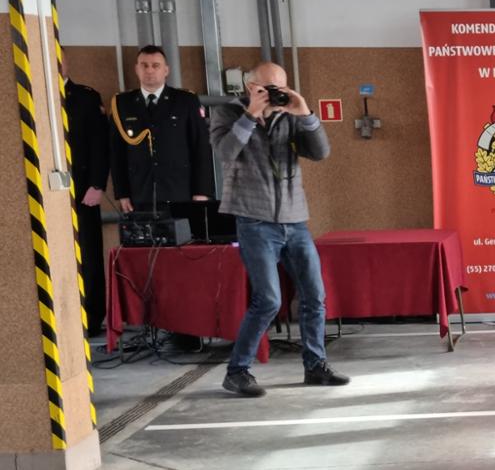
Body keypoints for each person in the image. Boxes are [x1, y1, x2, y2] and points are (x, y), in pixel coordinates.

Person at [207, 62, 347, 396]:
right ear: (250, 86)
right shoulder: (228, 113)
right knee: (268, 300)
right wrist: (251, 115)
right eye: (267, 88)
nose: (274, 94)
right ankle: (237, 371)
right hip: (254, 221)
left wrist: (305, 113)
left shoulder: (290, 115)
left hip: (295, 220)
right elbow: (225, 152)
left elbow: (321, 152)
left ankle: (315, 366)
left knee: (314, 295)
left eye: (279, 88)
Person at [110, 46, 213, 212]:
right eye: (144, 65)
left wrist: (201, 192)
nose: (149, 70)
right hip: (139, 194)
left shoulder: (185, 100)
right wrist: (122, 193)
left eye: (155, 65)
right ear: (136, 69)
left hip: (180, 192)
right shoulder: (122, 103)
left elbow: (201, 147)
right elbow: (117, 152)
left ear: (166, 70)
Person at [62, 70, 112, 337]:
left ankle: (91, 317)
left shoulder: (85, 97)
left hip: (83, 188)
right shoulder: (34, 91)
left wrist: (97, 184)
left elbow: (99, 143)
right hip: (48, 191)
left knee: (89, 254)